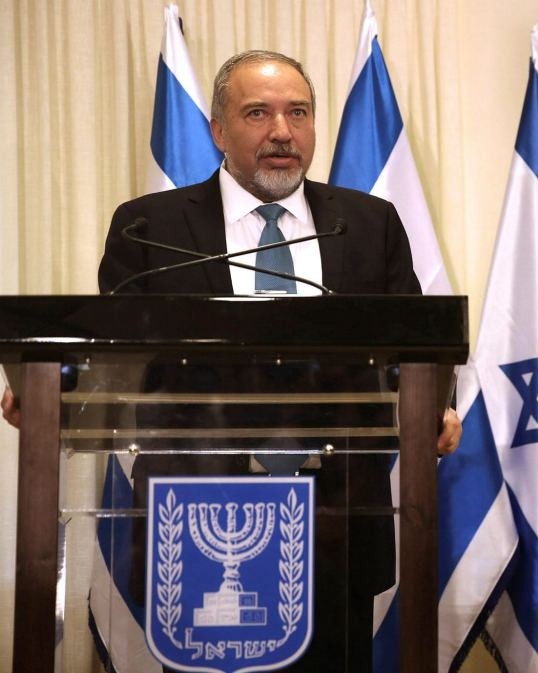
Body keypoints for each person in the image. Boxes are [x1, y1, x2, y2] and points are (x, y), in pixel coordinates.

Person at [4, 50, 460, 672]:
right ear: (218, 129)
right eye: (258, 113)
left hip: (338, 522)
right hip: (192, 521)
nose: (282, 132)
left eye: (298, 113)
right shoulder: (148, 227)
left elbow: (418, 346)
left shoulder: (368, 224)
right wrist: (55, 392)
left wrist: (439, 406)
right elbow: (109, 359)